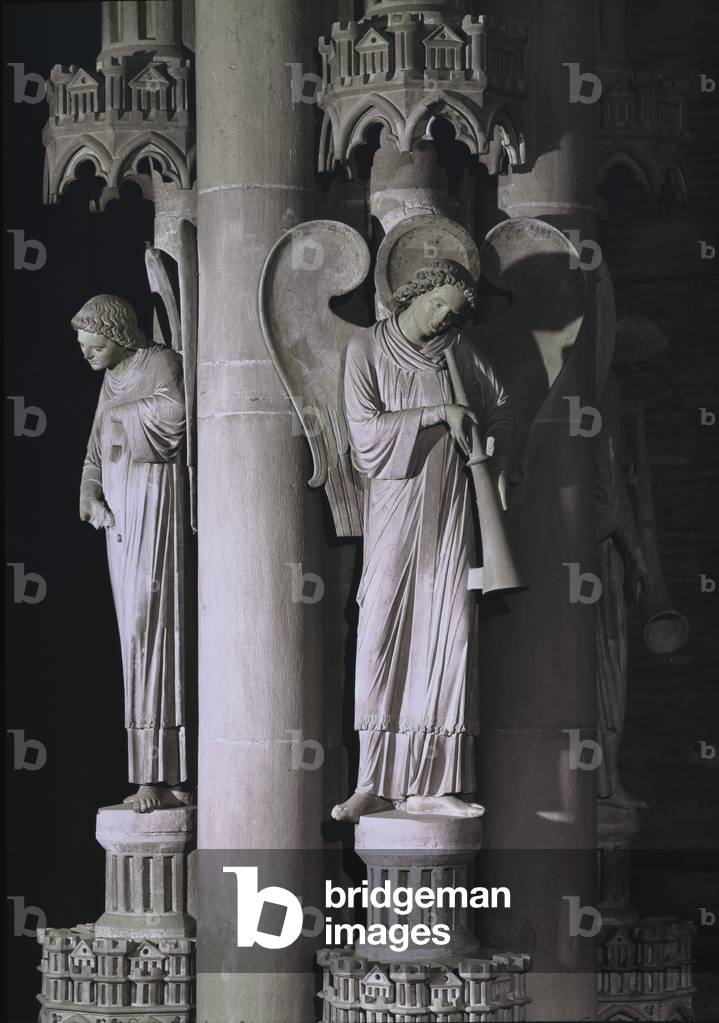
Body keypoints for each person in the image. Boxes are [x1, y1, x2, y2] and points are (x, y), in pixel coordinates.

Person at [332, 261, 513, 823]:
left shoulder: (459, 353)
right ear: (414, 292)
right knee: (382, 630)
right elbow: (363, 433)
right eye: (438, 307)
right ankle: (374, 779)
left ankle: (437, 780)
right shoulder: (366, 349)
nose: (442, 321)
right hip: (394, 506)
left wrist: (494, 455)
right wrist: (440, 411)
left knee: (447, 633)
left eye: (454, 316)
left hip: (452, 508)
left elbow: (502, 408)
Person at [73, 294, 189, 812]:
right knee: (133, 637)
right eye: (84, 349)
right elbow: (95, 452)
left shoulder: (161, 363)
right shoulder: (111, 380)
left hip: (156, 510)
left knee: (155, 629)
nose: (89, 356)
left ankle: (164, 773)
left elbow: (178, 418)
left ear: (119, 336)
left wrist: (122, 414)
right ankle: (149, 771)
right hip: (119, 520)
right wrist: (88, 493)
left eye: (95, 346)